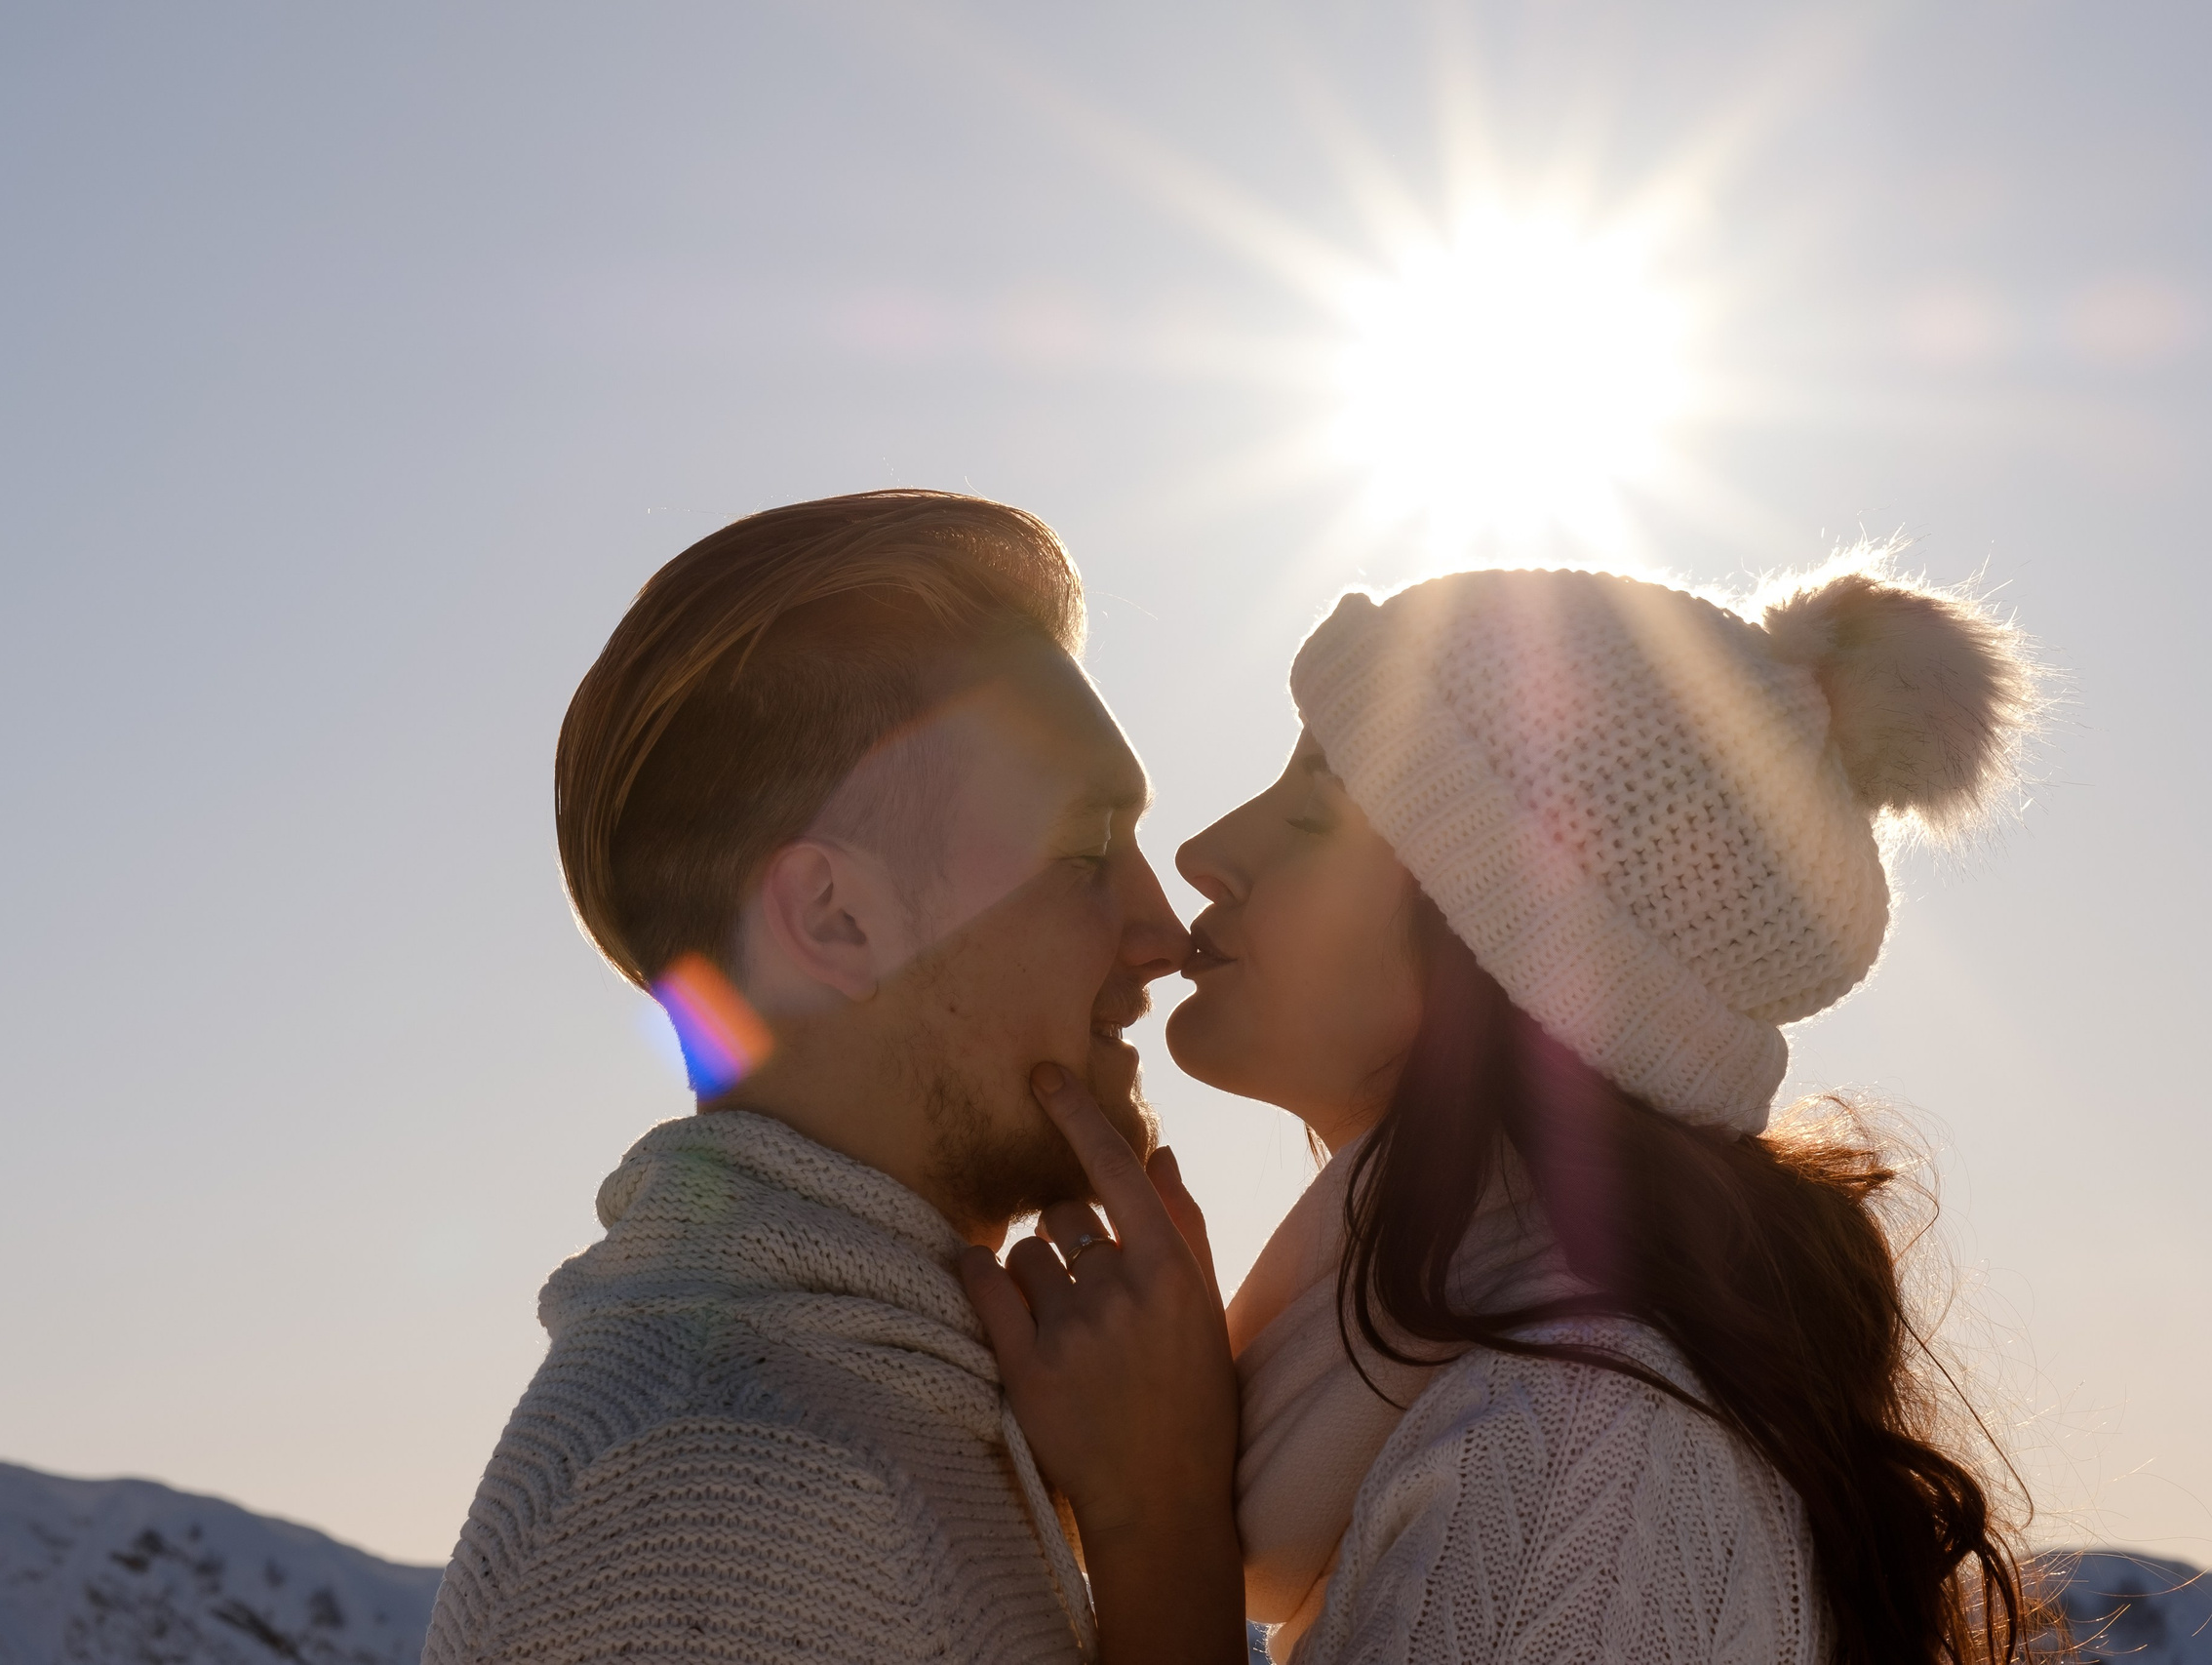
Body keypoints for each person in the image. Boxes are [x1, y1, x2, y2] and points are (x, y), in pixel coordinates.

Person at [968, 558, 2048, 1665]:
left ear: (1507, 941)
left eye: (1311, 815)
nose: (1202, 857)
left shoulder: (1591, 1452)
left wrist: (1159, 1516)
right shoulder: (1514, 1403)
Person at [420, 490, 1239, 1665]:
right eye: (1084, 852)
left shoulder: (872, 1406)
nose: (1162, 930)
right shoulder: (714, 1502)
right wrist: (1165, 1527)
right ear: (837, 920)